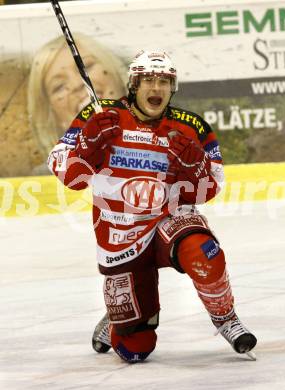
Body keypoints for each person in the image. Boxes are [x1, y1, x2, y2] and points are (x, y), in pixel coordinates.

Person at [48, 50, 257, 363]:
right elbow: (68, 175)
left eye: (163, 81)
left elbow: (206, 190)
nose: (156, 88)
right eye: (148, 80)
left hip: (168, 220)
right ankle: (119, 318)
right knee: (135, 350)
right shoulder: (100, 115)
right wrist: (88, 144)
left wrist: (194, 164)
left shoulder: (191, 126)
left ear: (172, 87)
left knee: (204, 251)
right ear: (134, 84)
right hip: (120, 236)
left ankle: (226, 318)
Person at [28, 33, 127, 164]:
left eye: (86, 67)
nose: (77, 84)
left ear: (116, 73)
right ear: (53, 117)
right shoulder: (41, 180)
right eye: (59, 86)